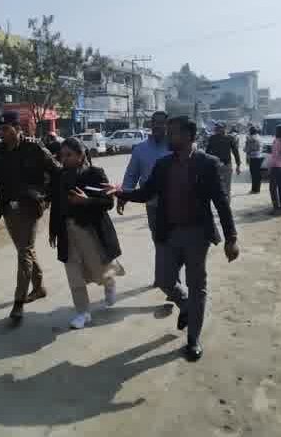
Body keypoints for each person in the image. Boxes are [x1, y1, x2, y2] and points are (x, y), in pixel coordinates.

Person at [109, 116, 239, 362]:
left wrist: (231, 237)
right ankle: (187, 305)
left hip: (197, 235)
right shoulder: (163, 165)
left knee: (197, 285)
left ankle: (193, 340)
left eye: (173, 133)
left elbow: (221, 202)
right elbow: (146, 193)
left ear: (188, 136)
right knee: (165, 280)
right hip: (168, 232)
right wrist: (121, 193)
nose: (168, 136)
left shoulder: (207, 164)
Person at [0, 111, 60, 324]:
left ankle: (18, 302)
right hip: (7, 208)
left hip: (30, 207)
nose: (2, 133)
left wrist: (46, 196)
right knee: (25, 250)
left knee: (24, 251)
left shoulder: (34, 148)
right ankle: (39, 287)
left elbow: (57, 171)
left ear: (18, 128)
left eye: (6, 129)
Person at [49, 138, 125, 329]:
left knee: (99, 270)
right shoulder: (59, 176)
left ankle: (109, 283)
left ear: (81, 155)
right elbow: (56, 206)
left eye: (69, 155)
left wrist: (86, 201)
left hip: (90, 231)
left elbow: (108, 203)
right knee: (73, 273)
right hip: (67, 232)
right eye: (62, 155)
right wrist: (53, 231)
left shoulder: (95, 173)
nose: (64, 159)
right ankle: (83, 312)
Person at [119, 111, 178, 289]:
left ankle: (172, 279)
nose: (158, 126)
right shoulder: (140, 149)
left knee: (174, 241)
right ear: (150, 124)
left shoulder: (176, 146)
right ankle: (162, 277)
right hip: (152, 204)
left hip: (177, 203)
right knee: (159, 240)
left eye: (162, 123)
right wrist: (124, 196)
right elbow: (132, 175)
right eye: (155, 122)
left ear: (168, 125)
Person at [205, 122, 241, 199]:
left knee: (220, 188)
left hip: (219, 166)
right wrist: (238, 165)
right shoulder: (229, 138)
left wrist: (238, 165)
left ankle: (224, 203)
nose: (218, 129)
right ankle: (225, 203)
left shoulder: (213, 138)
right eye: (217, 128)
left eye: (219, 128)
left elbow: (207, 153)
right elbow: (235, 152)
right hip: (222, 166)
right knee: (225, 188)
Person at [244, 126, 263, 194]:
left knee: (253, 174)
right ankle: (257, 189)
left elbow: (246, 149)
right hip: (259, 157)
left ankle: (254, 189)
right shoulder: (259, 137)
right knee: (258, 174)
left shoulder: (250, 138)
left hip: (253, 158)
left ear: (251, 131)